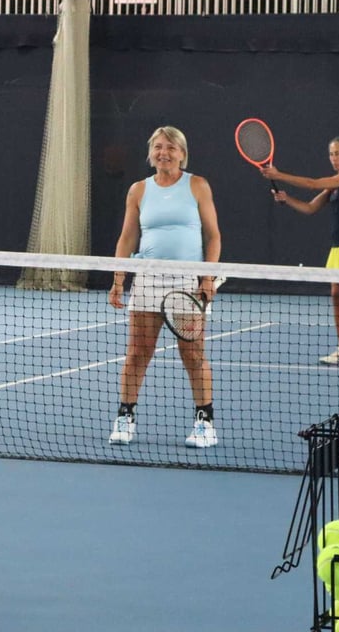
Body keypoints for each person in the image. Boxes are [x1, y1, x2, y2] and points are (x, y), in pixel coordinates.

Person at [107, 126, 222, 448]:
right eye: (158, 147)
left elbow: (213, 236)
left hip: (187, 282)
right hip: (147, 280)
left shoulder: (197, 186)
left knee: (193, 354)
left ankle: (204, 422)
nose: (164, 153)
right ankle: (125, 417)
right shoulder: (138, 190)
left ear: (182, 154)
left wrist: (208, 277)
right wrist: (119, 279)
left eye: (171, 148)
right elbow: (127, 238)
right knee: (137, 353)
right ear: (151, 153)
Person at [261, 136, 339, 368]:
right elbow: (310, 208)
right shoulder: (333, 186)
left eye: (338, 154)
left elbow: (312, 183)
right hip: (338, 248)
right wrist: (287, 199)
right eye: (331, 154)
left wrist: (279, 175)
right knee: (337, 297)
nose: (334, 158)